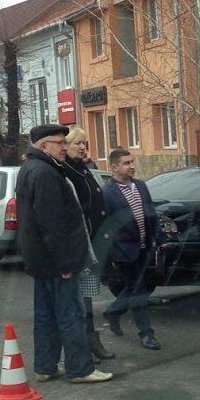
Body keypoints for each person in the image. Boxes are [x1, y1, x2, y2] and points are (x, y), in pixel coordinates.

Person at [16, 124, 112, 384]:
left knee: (46, 316)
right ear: (44, 145)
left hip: (41, 261)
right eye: (59, 143)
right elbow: (52, 223)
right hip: (58, 262)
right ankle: (80, 369)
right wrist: (66, 262)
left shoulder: (31, 168)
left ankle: (46, 366)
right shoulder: (45, 172)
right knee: (71, 315)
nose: (64, 147)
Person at [98, 148, 163, 351]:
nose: (132, 166)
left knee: (136, 288)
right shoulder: (108, 192)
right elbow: (106, 224)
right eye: (126, 163)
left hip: (144, 247)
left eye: (132, 162)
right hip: (124, 250)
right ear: (115, 166)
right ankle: (146, 333)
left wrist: (158, 237)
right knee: (139, 291)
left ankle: (113, 311)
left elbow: (150, 212)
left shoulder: (141, 186)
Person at [63, 127, 115, 361]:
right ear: (67, 146)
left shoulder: (84, 169)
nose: (83, 147)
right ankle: (84, 344)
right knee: (79, 300)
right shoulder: (66, 172)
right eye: (77, 143)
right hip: (79, 246)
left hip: (93, 244)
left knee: (87, 296)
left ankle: (91, 340)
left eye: (85, 143)